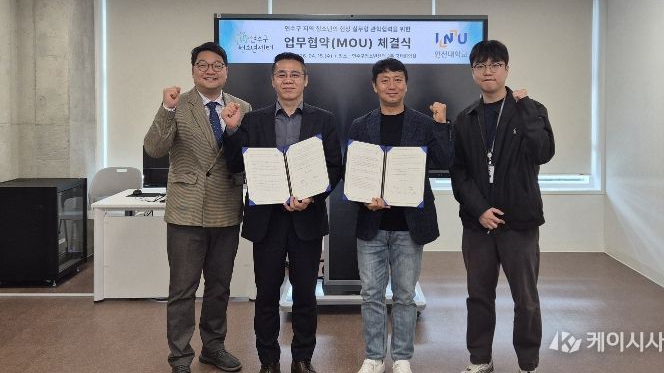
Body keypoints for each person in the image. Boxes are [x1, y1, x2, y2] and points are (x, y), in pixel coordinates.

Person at [221, 52, 343, 373]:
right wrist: (231, 131)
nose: (288, 80)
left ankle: (302, 359)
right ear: (273, 80)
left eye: (295, 74)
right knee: (266, 295)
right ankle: (269, 361)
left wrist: (312, 197)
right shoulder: (252, 120)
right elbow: (235, 165)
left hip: (307, 219)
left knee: (305, 295)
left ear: (306, 80)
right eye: (282, 74)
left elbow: (334, 167)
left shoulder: (324, 120)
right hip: (267, 220)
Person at [144, 42, 251, 373]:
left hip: (225, 207)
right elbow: (155, 148)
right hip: (186, 210)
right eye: (202, 64)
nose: (210, 70)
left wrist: (233, 129)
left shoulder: (242, 107)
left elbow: (247, 157)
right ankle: (179, 357)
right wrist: (166, 109)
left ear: (226, 71)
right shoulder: (178, 104)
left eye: (217, 65)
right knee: (182, 289)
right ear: (193, 70)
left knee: (219, 288)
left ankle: (213, 347)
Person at [450, 40, 555, 373]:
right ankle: (480, 359)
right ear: (472, 73)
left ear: (507, 69)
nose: (488, 72)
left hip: (519, 222)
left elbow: (543, 153)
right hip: (478, 224)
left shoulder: (532, 110)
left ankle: (528, 363)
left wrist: (527, 112)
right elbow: (459, 172)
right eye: (480, 66)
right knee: (479, 296)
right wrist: (480, 209)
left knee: (525, 298)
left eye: (495, 65)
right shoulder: (465, 118)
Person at [349, 58, 453, 373]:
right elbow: (353, 172)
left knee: (405, 295)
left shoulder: (423, 123)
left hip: (410, 225)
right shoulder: (360, 125)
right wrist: (364, 199)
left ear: (406, 85)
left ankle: (402, 357)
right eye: (385, 80)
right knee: (371, 294)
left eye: (397, 79)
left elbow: (445, 160)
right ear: (374, 86)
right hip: (372, 223)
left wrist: (441, 124)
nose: (391, 86)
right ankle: (374, 357)